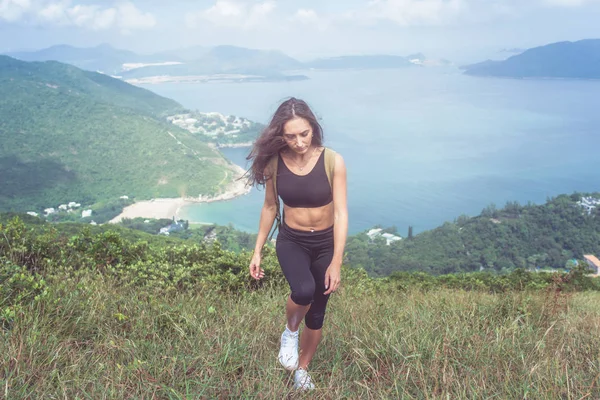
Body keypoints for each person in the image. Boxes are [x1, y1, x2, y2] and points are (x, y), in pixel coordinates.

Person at [246, 97, 348, 390]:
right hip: (292, 240)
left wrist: (336, 261)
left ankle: (302, 370)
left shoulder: (332, 161)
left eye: (304, 134)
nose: (299, 142)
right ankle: (289, 332)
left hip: (326, 243)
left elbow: (341, 212)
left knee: (317, 313)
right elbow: (269, 208)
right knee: (303, 290)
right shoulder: (275, 164)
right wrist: (257, 251)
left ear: (313, 128)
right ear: (281, 135)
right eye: (291, 136)